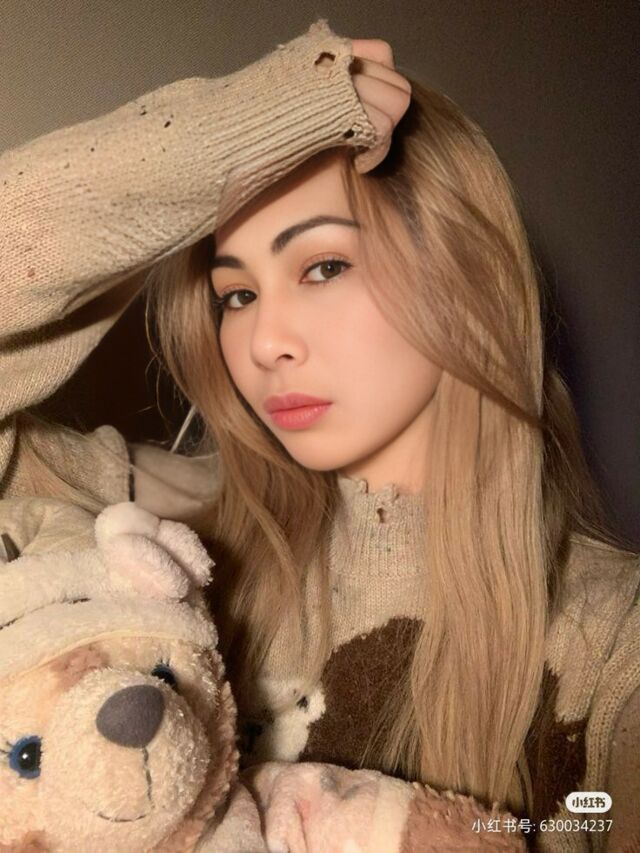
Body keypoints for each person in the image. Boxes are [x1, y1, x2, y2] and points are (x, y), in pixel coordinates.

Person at [1, 19, 637, 851]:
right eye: (237, 295)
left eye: (323, 266)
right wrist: (242, 127)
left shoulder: (612, 640)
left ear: (467, 280)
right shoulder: (168, 548)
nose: (264, 342)